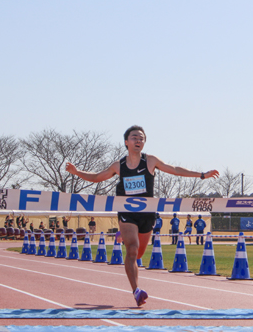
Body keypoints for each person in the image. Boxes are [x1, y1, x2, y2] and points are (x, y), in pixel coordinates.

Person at [66, 125, 219, 307]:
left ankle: (124, 236)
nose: (138, 140)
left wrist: (202, 175)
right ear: (126, 142)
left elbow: (175, 170)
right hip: (127, 213)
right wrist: (77, 172)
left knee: (139, 253)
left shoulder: (150, 161)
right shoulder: (119, 166)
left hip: (147, 214)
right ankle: (136, 291)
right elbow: (97, 177)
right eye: (134, 137)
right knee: (132, 250)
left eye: (141, 138)